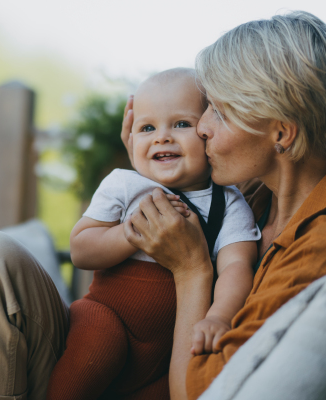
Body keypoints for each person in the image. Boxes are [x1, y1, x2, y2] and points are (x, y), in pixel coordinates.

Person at [0, 10, 326, 400]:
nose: (203, 128)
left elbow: (200, 392)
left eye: (221, 113)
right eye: (203, 110)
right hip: (98, 346)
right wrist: (148, 155)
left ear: (282, 133)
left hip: (167, 375)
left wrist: (192, 269)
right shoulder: (264, 186)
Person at [45, 69, 259, 400]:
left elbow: (237, 266)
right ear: (131, 138)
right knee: (79, 377)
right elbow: (81, 250)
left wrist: (219, 316)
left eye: (181, 124)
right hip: (108, 320)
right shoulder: (125, 184)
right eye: (147, 128)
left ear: (208, 130)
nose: (162, 137)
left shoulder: (228, 203)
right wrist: (128, 235)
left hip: (167, 351)